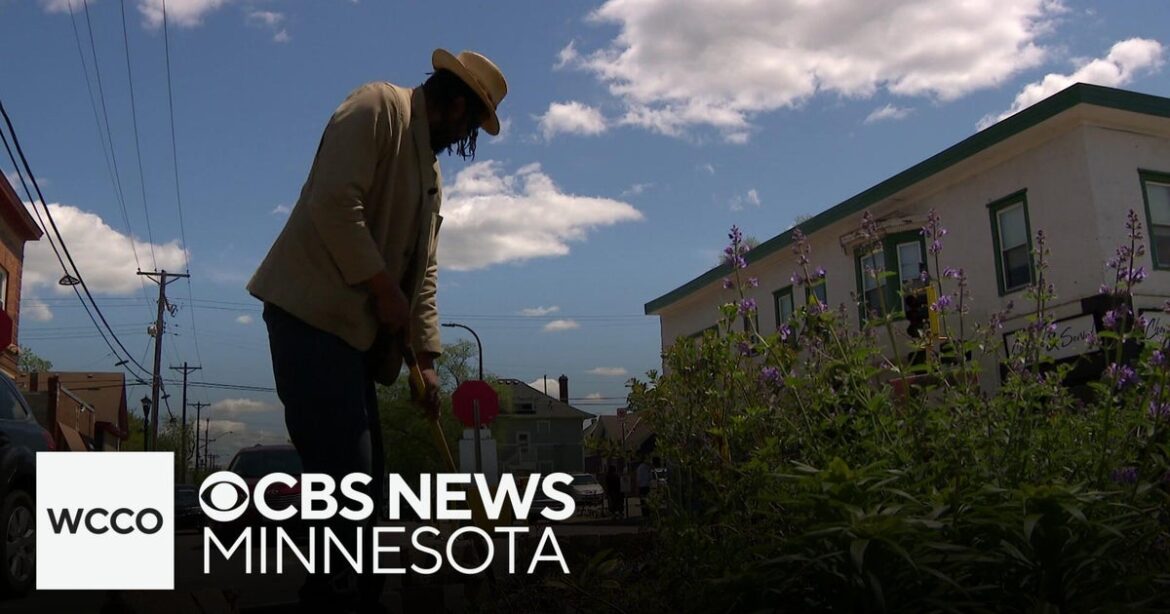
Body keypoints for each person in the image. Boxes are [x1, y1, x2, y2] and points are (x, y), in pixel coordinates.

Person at [247, 49, 507, 613]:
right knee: (347, 475)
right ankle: (337, 598)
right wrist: (384, 288)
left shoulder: (430, 177)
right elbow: (333, 202)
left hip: (354, 340)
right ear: (454, 105)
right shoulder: (377, 108)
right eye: (468, 128)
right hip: (308, 315)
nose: (464, 141)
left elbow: (424, 272)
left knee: (369, 481)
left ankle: (352, 594)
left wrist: (428, 359)